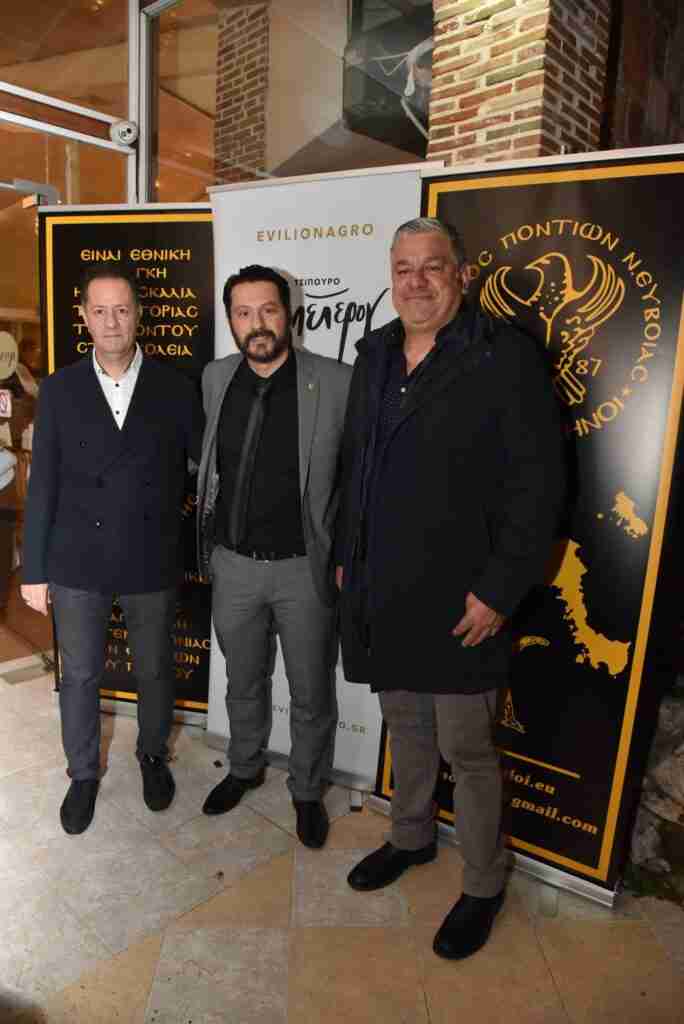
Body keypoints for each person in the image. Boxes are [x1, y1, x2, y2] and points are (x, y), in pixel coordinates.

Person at [336, 218, 565, 959]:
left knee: (467, 750)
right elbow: (356, 462)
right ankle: (410, 837)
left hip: (465, 599)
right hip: (384, 588)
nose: (416, 282)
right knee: (405, 728)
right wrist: (347, 556)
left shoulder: (505, 356)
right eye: (403, 268)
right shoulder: (375, 352)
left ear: (462, 275)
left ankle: (483, 883)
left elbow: (540, 486)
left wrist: (500, 590)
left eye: (432, 267)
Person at [21, 264, 204, 835]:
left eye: (121, 309)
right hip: (77, 561)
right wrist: (34, 570)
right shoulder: (59, 390)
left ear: (138, 314)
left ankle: (152, 753)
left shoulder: (176, 387)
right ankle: (83, 773)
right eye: (99, 310)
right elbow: (43, 484)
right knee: (79, 675)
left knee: (154, 669)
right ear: (83, 316)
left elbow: (202, 471)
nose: (111, 321)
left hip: (152, 558)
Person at [196, 265, 351, 849]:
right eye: (243, 313)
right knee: (242, 680)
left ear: (289, 314)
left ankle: (307, 790)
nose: (256, 323)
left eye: (268, 310)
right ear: (230, 320)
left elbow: (355, 478)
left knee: (311, 691)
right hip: (234, 566)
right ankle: (244, 767)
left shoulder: (335, 382)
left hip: (303, 569)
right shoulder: (216, 378)